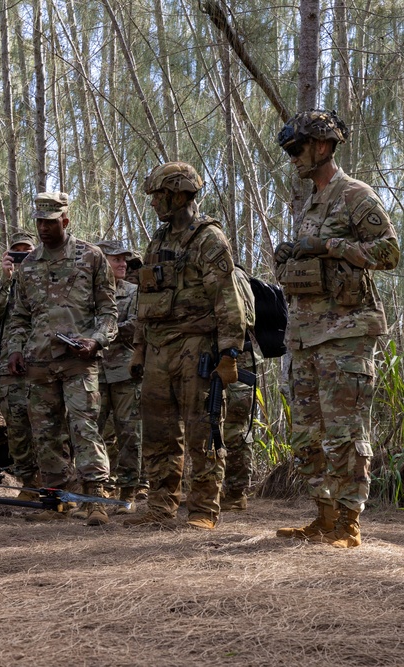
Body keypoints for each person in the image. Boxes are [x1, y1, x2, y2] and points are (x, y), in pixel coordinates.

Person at [273, 110, 399, 547]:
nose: (293, 158)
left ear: (322, 147)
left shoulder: (355, 195)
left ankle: (349, 523)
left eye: (298, 149)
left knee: (344, 429)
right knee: (307, 430)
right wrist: (290, 256)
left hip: (346, 332)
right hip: (306, 333)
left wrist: (329, 245)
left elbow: (389, 252)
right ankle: (323, 517)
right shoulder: (311, 202)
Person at [125, 162, 246, 531]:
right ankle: (161, 506)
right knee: (159, 431)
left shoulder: (208, 239)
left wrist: (229, 352)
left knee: (202, 428)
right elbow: (146, 302)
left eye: (158, 196)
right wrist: (139, 350)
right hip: (160, 349)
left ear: (179, 195)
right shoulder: (158, 242)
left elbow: (228, 300)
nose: (153, 203)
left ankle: (203, 509)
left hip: (198, 347)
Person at [7, 192, 118, 525]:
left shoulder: (91, 257)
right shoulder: (28, 265)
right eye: (39, 222)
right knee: (46, 432)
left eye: (50, 222)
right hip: (39, 362)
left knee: (84, 427)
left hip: (78, 361)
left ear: (65, 222)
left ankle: (95, 499)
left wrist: (96, 341)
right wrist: (15, 348)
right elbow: (19, 316)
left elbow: (109, 312)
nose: (43, 228)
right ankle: (57, 500)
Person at [0, 231, 40, 491]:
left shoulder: (44, 280)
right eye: (16, 252)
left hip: (41, 362)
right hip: (11, 367)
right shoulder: (7, 284)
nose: (21, 257)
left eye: (26, 252)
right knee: (17, 429)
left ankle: (54, 484)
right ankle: (28, 485)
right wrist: (5, 279)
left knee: (48, 427)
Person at [94, 239, 144, 514]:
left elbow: (137, 324)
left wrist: (102, 332)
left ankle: (127, 493)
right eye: (117, 259)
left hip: (125, 371)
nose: (124, 263)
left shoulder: (135, 292)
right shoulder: (87, 293)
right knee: (91, 434)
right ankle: (94, 491)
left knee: (129, 434)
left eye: (125, 259)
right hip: (93, 372)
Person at [219, 265, 260, 512]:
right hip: (215, 358)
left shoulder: (233, 274)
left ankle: (236, 492)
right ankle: (217, 488)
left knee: (235, 427)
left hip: (238, 359)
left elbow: (247, 318)